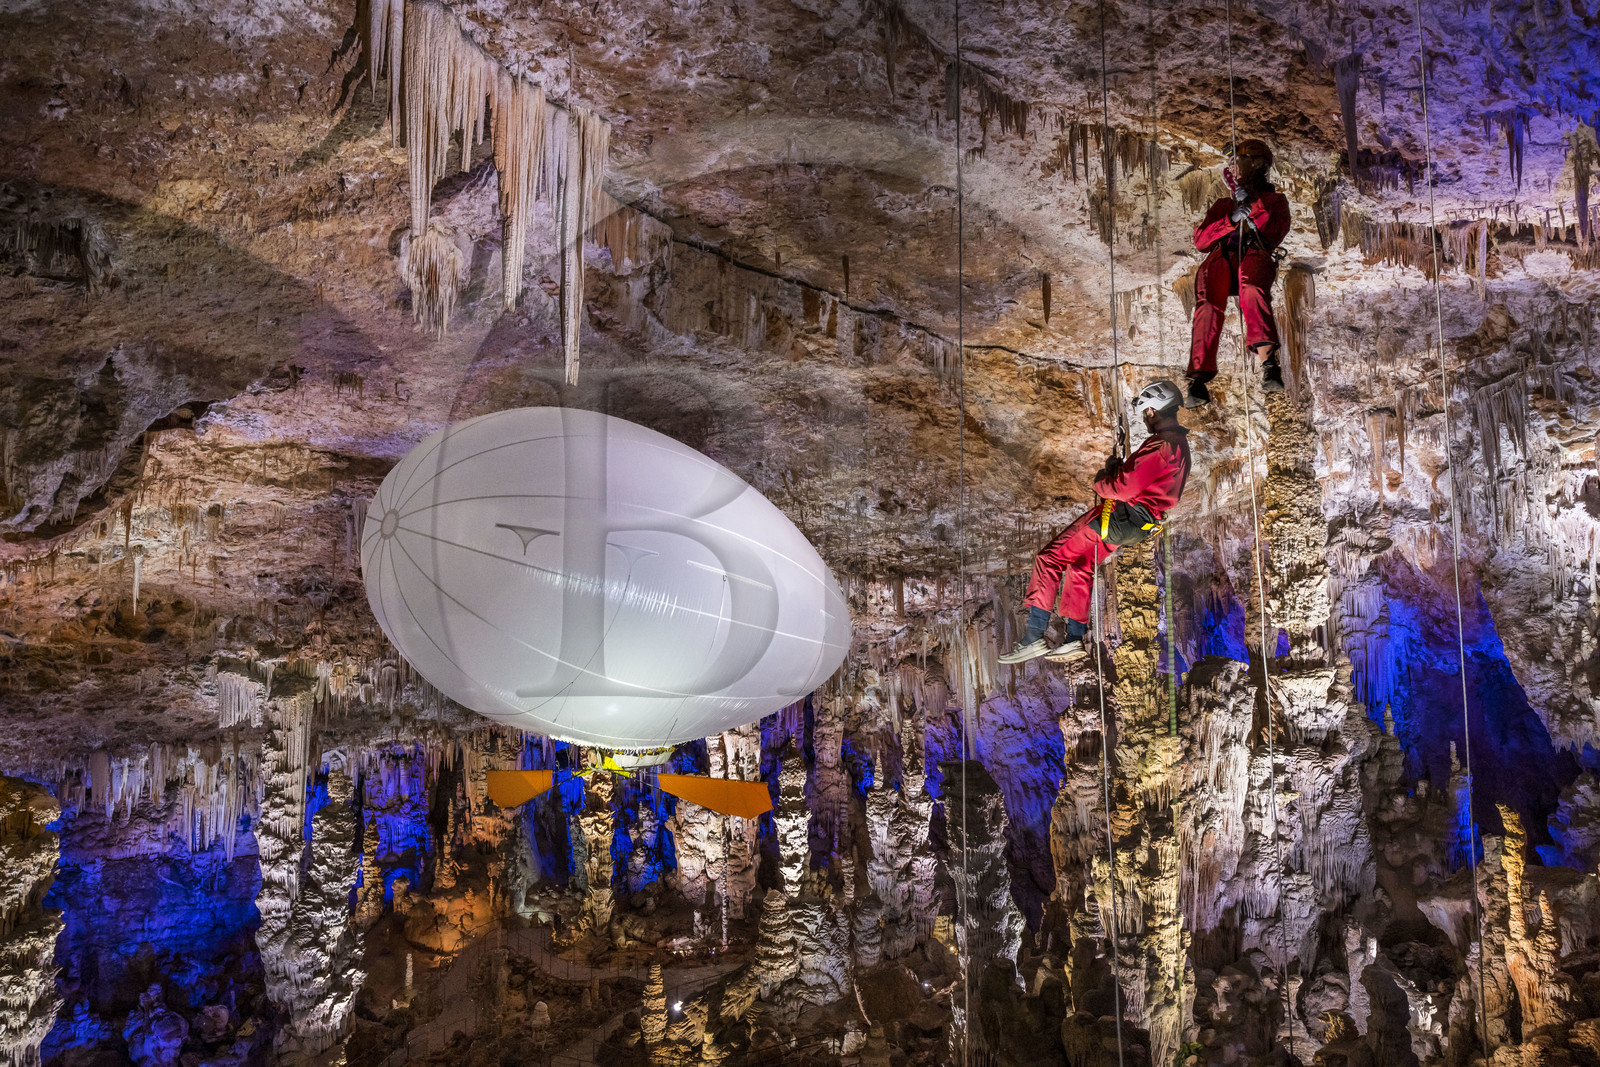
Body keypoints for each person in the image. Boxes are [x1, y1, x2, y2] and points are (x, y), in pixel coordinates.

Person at [999, 380, 1192, 666]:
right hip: (1140, 526)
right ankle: (1074, 637)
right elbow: (1143, 480)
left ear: (1152, 411)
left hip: (1120, 517)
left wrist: (1102, 482)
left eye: (1146, 415)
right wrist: (1120, 469)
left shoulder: (1161, 444)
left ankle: (1033, 635)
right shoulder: (1179, 445)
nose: (1146, 421)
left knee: (1049, 558)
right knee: (1081, 565)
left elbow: (1123, 489)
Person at [1183, 139, 1292, 409]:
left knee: (1252, 288)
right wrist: (1230, 219)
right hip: (1221, 261)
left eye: (1238, 161)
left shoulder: (1275, 201)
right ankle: (1197, 379)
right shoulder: (1223, 205)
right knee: (1207, 305)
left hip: (1254, 255)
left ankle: (1268, 364)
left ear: (1256, 164)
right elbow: (1201, 242)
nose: (1232, 167)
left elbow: (1273, 233)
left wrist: (1253, 206)